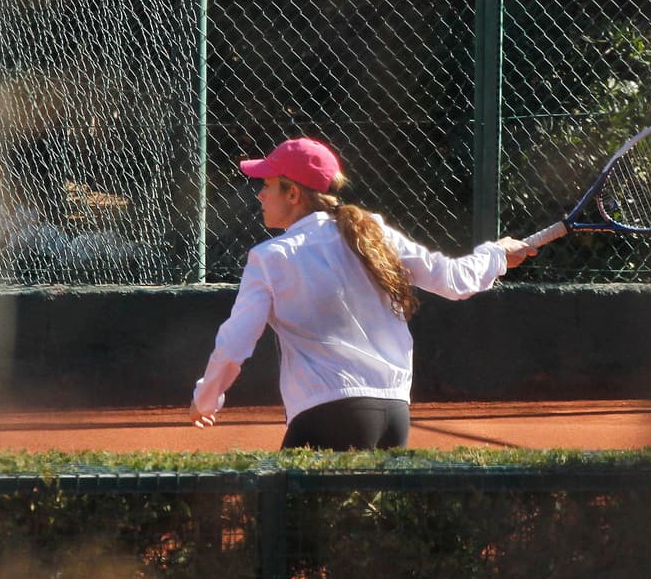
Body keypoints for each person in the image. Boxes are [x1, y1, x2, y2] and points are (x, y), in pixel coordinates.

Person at [189, 137, 536, 450]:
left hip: (328, 414)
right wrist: (495, 254)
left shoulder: (269, 258)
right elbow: (454, 279)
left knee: (287, 517)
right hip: (394, 414)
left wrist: (205, 399)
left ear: (293, 194)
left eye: (267, 185)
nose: (261, 195)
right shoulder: (374, 235)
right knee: (369, 521)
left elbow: (235, 342)